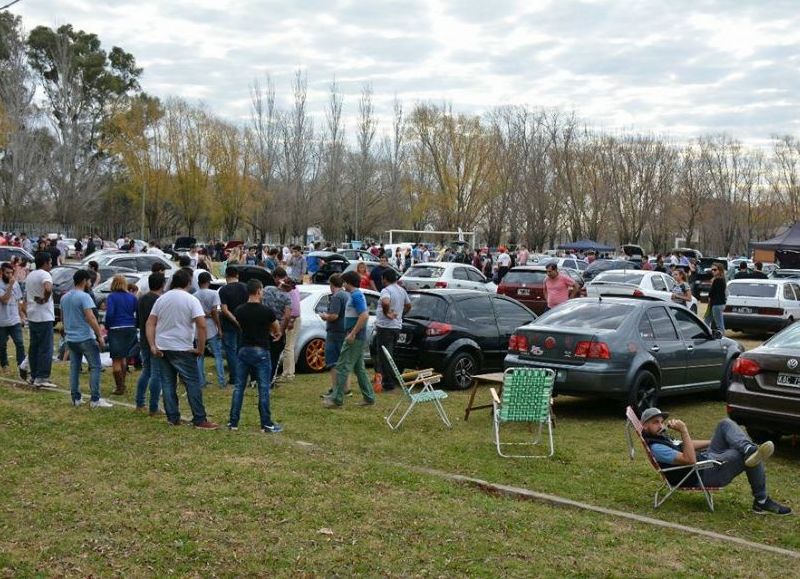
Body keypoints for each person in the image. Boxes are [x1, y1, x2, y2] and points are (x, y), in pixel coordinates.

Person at [640, 407, 791, 515]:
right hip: (703, 473)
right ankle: (762, 500)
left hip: (706, 461)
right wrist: (684, 430)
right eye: (655, 422)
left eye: (661, 422)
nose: (661, 425)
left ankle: (748, 448)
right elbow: (690, 459)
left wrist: (715, 441)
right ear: (645, 426)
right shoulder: (657, 447)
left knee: (725, 424)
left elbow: (687, 446)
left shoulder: (661, 437)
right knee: (745, 455)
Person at [145, 269, 218, 430]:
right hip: (183, 347)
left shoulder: (161, 299)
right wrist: (200, 347)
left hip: (163, 346)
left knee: (168, 383)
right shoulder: (190, 300)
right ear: (188, 282)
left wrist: (152, 345)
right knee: (192, 383)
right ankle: (199, 418)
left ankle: (173, 417)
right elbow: (201, 324)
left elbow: (150, 323)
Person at [227, 279, 283, 433]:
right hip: (261, 350)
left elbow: (240, 325)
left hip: (244, 349)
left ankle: (233, 422)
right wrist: (275, 333)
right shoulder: (266, 311)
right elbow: (276, 328)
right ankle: (266, 423)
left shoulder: (239, 310)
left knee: (239, 387)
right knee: (263, 388)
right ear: (259, 291)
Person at [322, 271, 376, 409]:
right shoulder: (354, 295)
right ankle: (369, 397)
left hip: (354, 337)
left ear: (348, 282)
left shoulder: (356, 296)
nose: (343, 284)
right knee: (359, 370)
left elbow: (364, 316)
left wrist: (352, 333)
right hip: (356, 337)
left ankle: (337, 399)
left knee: (341, 366)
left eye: (344, 282)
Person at [60, 270, 111, 408]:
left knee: (75, 368)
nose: (90, 284)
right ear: (84, 281)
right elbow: (91, 317)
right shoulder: (85, 296)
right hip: (85, 338)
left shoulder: (64, 297)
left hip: (71, 338)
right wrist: (99, 335)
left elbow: (63, 318)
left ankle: (76, 398)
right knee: (95, 367)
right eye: (89, 281)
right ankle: (95, 399)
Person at [372, 268, 411, 392]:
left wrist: (387, 313)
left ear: (385, 279)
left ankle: (388, 382)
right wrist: (401, 314)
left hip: (385, 327)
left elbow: (385, 301)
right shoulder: (402, 290)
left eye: (382, 278)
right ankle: (382, 378)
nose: (382, 280)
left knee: (384, 356)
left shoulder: (386, 290)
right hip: (396, 327)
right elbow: (409, 305)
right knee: (389, 354)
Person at [135, 272, 165, 416]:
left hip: (143, 338)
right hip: (156, 339)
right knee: (156, 374)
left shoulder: (142, 299)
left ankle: (140, 402)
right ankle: (154, 407)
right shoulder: (160, 300)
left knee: (146, 371)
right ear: (162, 285)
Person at [25, 253, 56, 388]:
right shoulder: (45, 274)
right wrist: (45, 298)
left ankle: (34, 375)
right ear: (44, 263)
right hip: (44, 316)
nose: (51, 265)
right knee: (46, 347)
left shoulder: (30, 275)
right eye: (50, 262)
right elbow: (48, 288)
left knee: (34, 347)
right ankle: (42, 377)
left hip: (32, 315)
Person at [105, 275, 138, 395]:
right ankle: (122, 383)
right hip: (130, 328)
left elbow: (110, 314)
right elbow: (135, 311)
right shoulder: (132, 297)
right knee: (124, 357)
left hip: (116, 328)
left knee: (116, 360)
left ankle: (120, 387)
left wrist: (107, 326)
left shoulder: (111, 297)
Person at [319, 274, 351, 397]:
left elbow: (334, 315)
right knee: (343, 360)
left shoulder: (336, 297)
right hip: (345, 330)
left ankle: (336, 388)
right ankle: (346, 388)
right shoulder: (347, 295)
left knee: (333, 361)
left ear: (332, 284)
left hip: (335, 332)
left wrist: (325, 316)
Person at [262, 267, 292, 382]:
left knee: (263, 355)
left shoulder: (267, 289)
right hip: (277, 327)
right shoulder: (287, 297)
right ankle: (270, 380)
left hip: (264, 327)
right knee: (274, 357)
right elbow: (287, 316)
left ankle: (258, 379)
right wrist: (281, 330)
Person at [195, 272, 225, 389]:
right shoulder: (213, 294)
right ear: (208, 282)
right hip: (211, 325)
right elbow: (214, 312)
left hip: (198, 326)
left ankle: (201, 381)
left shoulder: (194, 295)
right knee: (217, 354)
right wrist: (219, 327)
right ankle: (221, 381)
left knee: (200, 355)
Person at [0, 262, 26, 377]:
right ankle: (4, 365)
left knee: (20, 343)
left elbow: (18, 301)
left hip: (14, 319)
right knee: (1, 345)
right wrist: (10, 285)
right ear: (1, 273)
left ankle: (21, 365)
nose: (10, 275)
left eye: (11, 273)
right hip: (2, 321)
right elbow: (5, 300)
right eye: (7, 273)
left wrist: (22, 316)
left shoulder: (16, 284)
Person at [276, 278, 301, 383]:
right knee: (289, 347)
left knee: (288, 347)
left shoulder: (291, 293)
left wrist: (290, 321)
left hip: (292, 320)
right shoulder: (296, 291)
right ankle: (289, 372)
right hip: (293, 319)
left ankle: (288, 374)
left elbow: (295, 310)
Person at [705, 262, 727, 332]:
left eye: (715, 270)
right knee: (706, 321)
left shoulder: (718, 280)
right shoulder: (719, 279)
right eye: (712, 270)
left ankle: (722, 339)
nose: (713, 271)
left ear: (720, 270)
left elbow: (712, 293)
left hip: (717, 304)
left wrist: (712, 283)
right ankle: (707, 334)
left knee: (719, 325)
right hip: (715, 303)